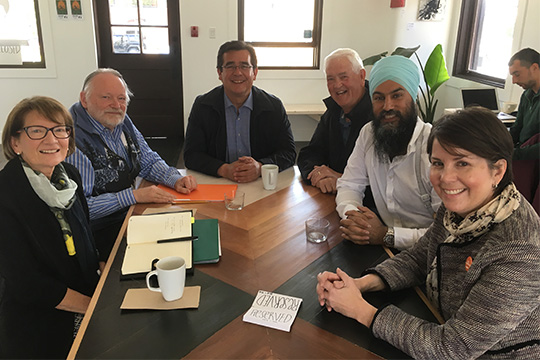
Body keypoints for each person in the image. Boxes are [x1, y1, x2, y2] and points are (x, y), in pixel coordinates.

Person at [317, 107, 540, 359]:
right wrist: (359, 285)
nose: (445, 178)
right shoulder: (460, 207)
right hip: (437, 320)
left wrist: (359, 309)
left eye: (463, 163)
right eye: (437, 163)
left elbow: (450, 348)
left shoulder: (520, 251)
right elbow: (420, 258)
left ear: (497, 171)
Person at [0, 96, 100, 358]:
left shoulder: (69, 176)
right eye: (36, 131)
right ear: (15, 142)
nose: (52, 139)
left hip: (84, 296)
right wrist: (94, 308)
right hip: (39, 322)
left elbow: (85, 236)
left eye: (60, 129)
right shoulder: (5, 193)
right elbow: (26, 282)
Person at [66, 68, 197, 260]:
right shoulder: (73, 140)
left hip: (128, 214)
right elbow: (80, 208)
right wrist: (133, 196)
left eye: (121, 98)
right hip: (98, 232)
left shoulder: (121, 121)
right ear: (84, 100)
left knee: (188, 232)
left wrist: (174, 178)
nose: (116, 105)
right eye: (106, 97)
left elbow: (147, 159)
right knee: (170, 251)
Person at [336, 55, 440, 250]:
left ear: (413, 97)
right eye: (379, 98)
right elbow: (349, 184)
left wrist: (386, 235)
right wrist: (355, 217)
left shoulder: (435, 147)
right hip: (382, 248)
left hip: (429, 258)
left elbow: (446, 232)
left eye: (397, 95)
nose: (388, 106)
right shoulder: (369, 134)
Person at [183, 40, 296, 182]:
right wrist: (224, 169)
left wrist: (260, 167)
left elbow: (288, 153)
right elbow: (191, 155)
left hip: (260, 183)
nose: (237, 73)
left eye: (244, 66)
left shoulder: (273, 106)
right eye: (230, 66)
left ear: (254, 72)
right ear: (219, 73)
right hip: (218, 182)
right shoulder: (202, 106)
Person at [297, 48, 374, 202]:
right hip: (332, 200)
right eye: (330, 79)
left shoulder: (379, 112)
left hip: (370, 209)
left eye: (343, 77)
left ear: (361, 76)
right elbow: (310, 154)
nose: (337, 85)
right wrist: (319, 175)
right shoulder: (334, 111)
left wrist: (340, 180)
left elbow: (388, 182)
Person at [508, 48, 540, 160]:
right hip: (523, 155)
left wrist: (514, 154)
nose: (514, 81)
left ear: (534, 68)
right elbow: (517, 128)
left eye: (517, 74)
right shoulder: (526, 95)